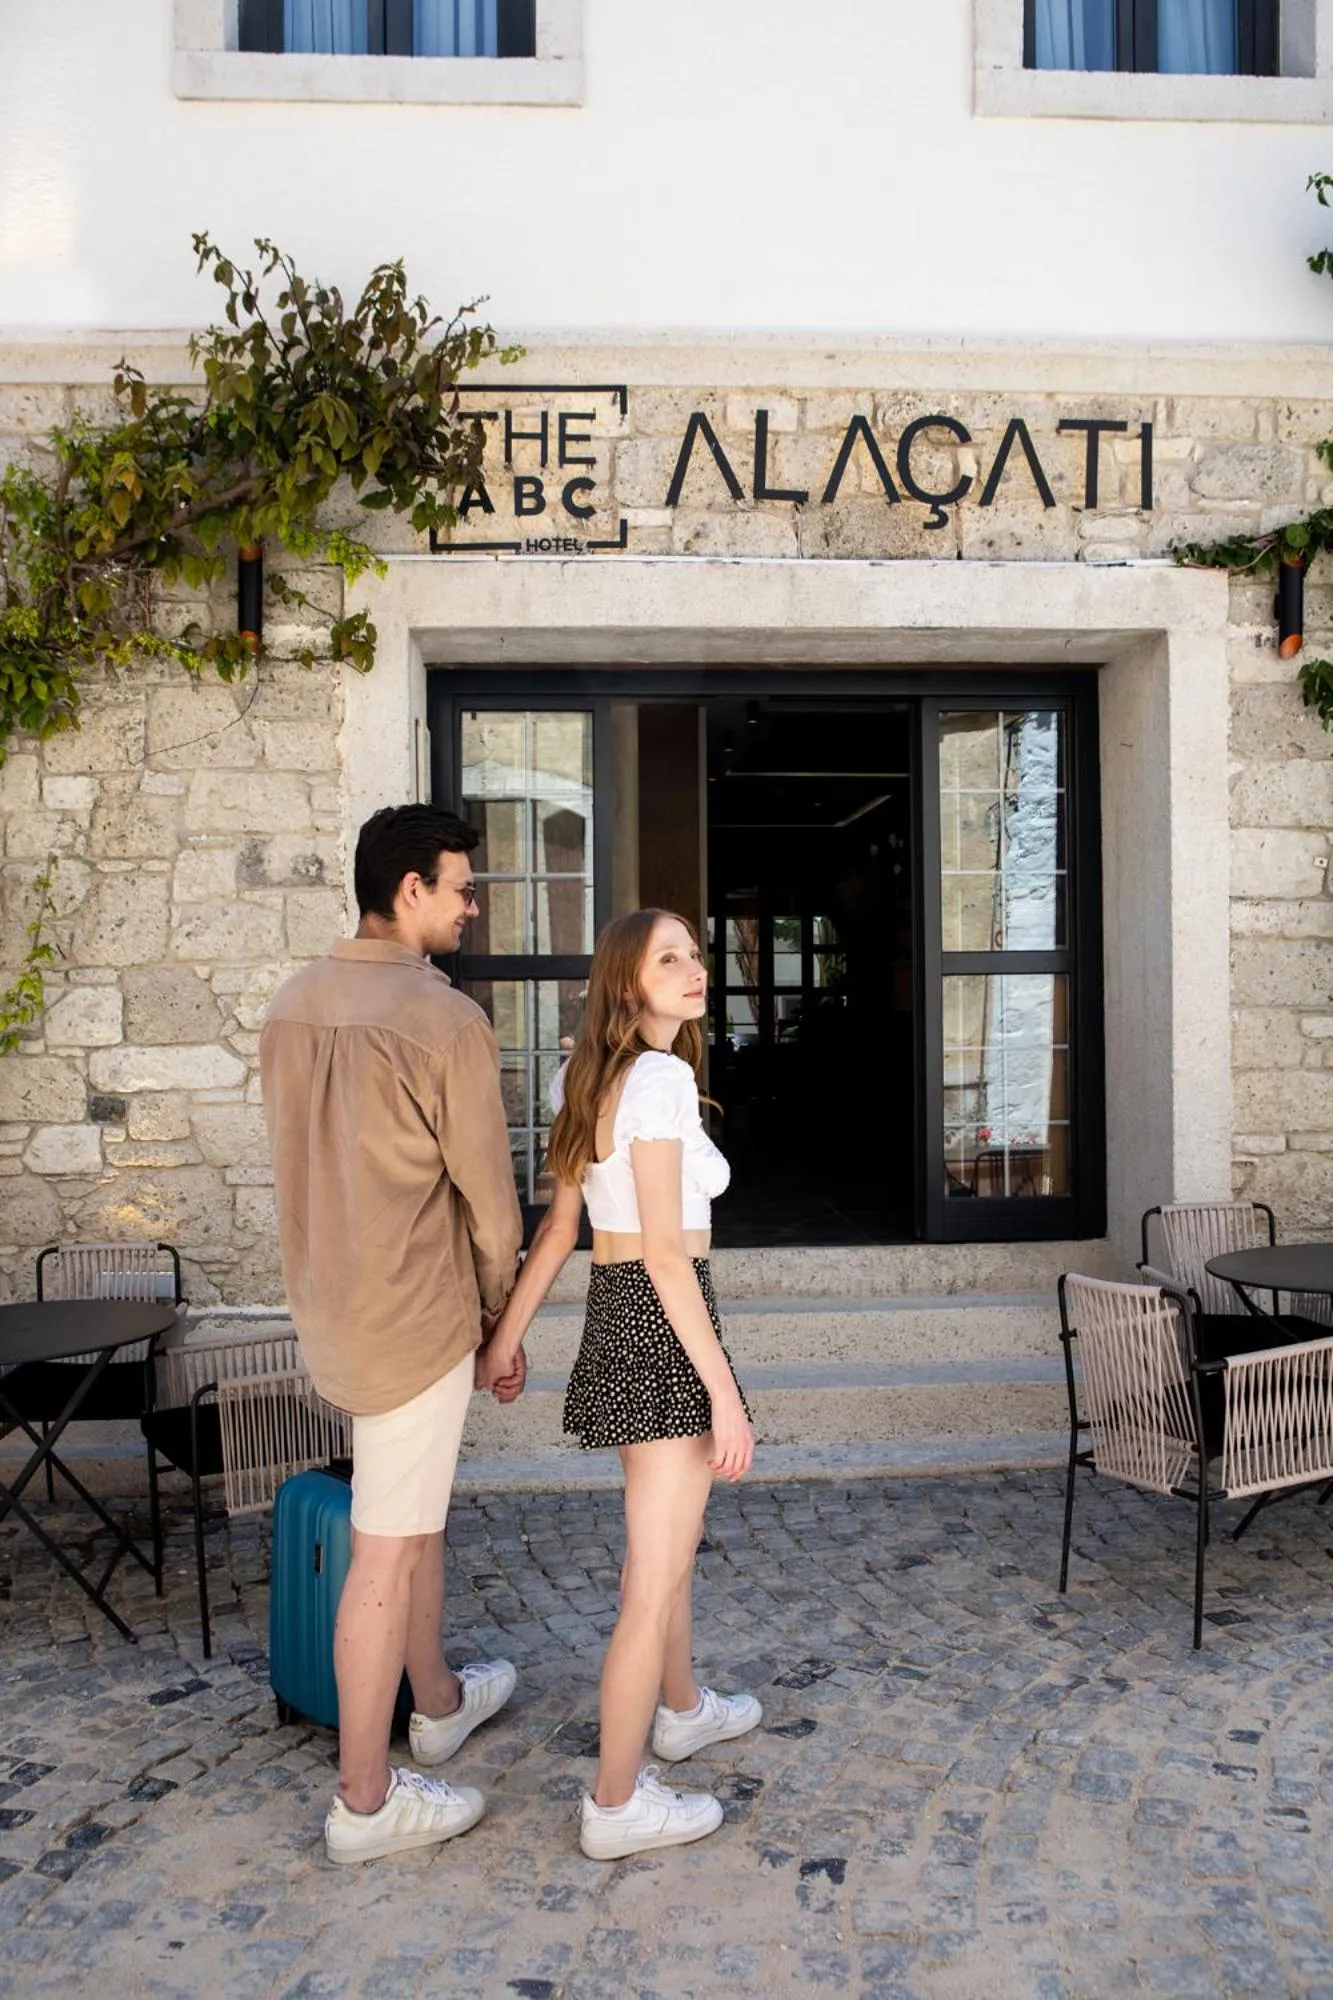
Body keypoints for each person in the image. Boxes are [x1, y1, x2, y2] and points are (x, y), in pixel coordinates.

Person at [259, 804, 524, 1866]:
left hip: (334, 1314)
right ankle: (364, 1800)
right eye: (462, 885)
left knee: (410, 1523)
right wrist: (498, 1315)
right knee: (385, 1545)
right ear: (407, 889)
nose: (473, 903)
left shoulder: (290, 1004)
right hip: (415, 1320)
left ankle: (442, 1699)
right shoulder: (442, 1019)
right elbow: (494, 1208)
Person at [476, 907, 760, 1861]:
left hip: (621, 1310)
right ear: (627, 984)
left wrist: (504, 1341)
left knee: (667, 1544)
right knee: (651, 1575)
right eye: (665, 959)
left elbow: (562, 1229)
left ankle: (680, 1711)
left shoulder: (586, 1076)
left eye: (692, 954)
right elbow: (670, 1258)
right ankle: (613, 1802)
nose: (691, 970)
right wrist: (724, 1391)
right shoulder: (665, 1079)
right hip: (661, 1311)